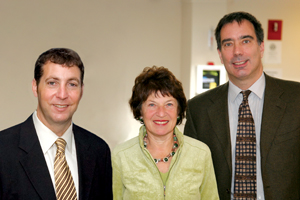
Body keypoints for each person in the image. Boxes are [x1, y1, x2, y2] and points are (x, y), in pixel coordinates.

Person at [184, 11, 300, 200]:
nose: (237, 51)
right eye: (228, 44)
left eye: (245, 41)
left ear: (261, 47)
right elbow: (190, 177)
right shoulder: (198, 109)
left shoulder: (296, 99)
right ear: (220, 55)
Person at [0, 48, 112, 199]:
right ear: (35, 87)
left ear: (81, 90)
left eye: (72, 84)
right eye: (52, 83)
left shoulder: (99, 151)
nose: (62, 94)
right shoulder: (3, 149)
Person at [112, 66, 219, 200]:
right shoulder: (121, 156)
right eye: (152, 104)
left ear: (178, 111)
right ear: (140, 111)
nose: (161, 113)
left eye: (169, 104)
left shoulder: (201, 154)